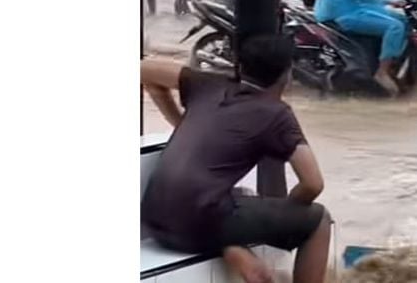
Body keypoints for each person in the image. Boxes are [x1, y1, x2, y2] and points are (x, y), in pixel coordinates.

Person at [140, 35, 333, 283]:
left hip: (155, 218)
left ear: (240, 67)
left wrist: (178, 122)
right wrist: (285, 213)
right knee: (319, 219)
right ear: (287, 75)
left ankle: (232, 246)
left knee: (241, 196)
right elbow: (313, 184)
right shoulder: (277, 114)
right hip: (194, 227)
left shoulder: (207, 83)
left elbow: (145, 72)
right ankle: (231, 244)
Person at [313, 0, 406, 96]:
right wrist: (389, 1)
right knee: (395, 27)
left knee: (403, 20)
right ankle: (382, 72)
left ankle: (393, 63)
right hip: (344, 13)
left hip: (358, 8)